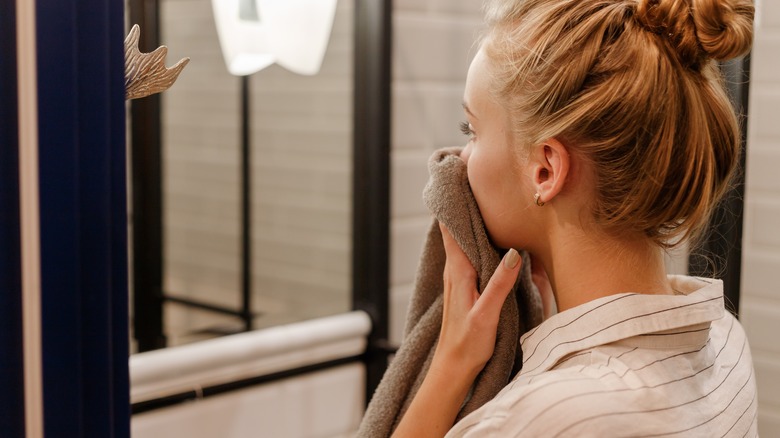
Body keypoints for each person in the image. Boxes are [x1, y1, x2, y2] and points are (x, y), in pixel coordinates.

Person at [392, 0, 757, 436]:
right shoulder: (727, 341)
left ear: (545, 170)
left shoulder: (540, 419)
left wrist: (451, 366)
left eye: (471, 130)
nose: (462, 159)